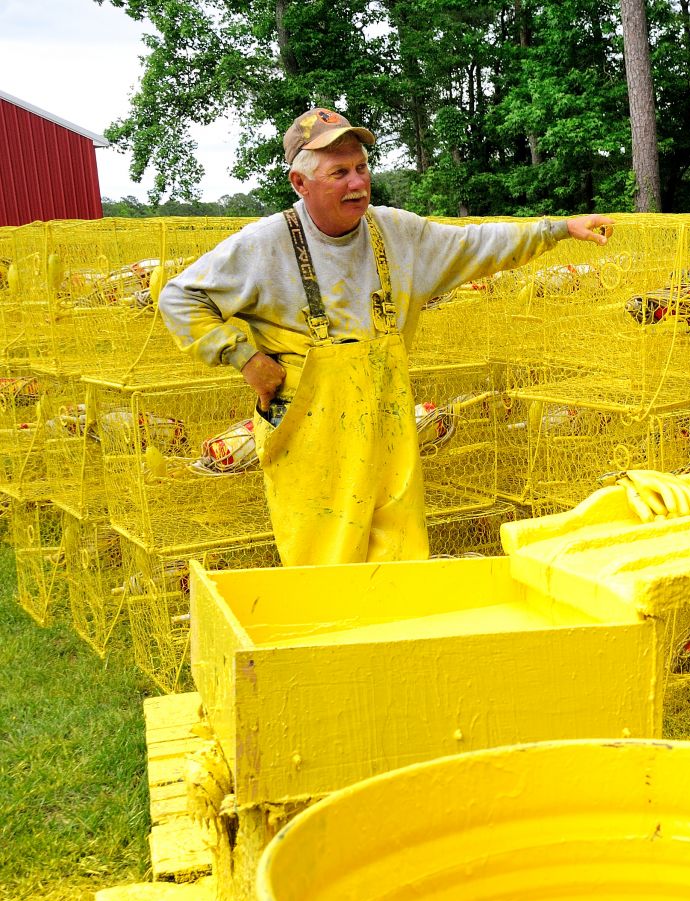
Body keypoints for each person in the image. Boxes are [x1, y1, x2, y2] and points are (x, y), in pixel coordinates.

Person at [159, 106, 613, 566]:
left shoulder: (396, 232)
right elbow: (178, 298)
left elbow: (476, 243)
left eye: (361, 168)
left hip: (387, 421)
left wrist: (558, 230)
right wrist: (244, 358)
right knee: (324, 561)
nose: (357, 183)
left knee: (399, 553)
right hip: (309, 432)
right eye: (339, 172)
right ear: (301, 184)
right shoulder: (262, 244)